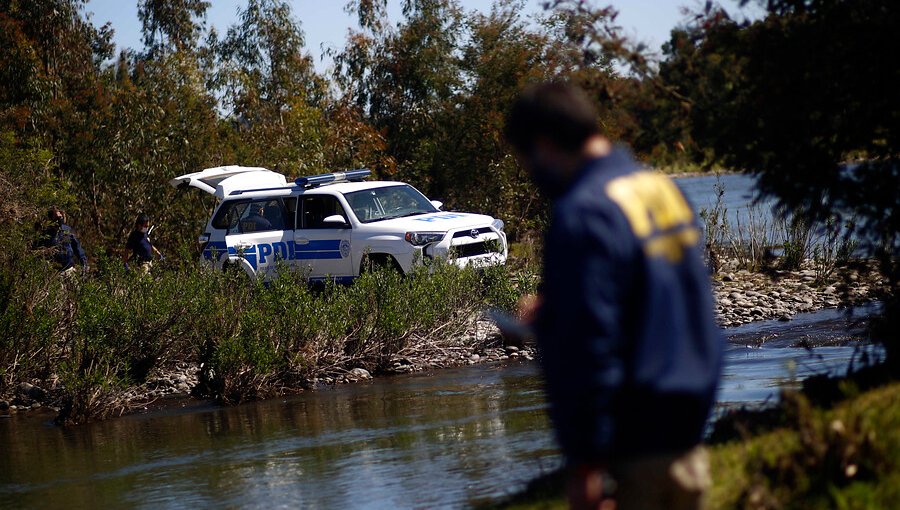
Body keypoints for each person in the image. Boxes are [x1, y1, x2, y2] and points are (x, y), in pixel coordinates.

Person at [504, 82, 724, 510]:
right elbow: (673, 300)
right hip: (689, 438)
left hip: (634, 452)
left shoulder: (583, 212)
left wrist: (585, 463)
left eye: (527, 161)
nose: (532, 174)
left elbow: (590, 344)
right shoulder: (658, 187)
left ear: (545, 145)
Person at [35, 206, 88, 275]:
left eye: (60, 217)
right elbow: (38, 251)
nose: (59, 219)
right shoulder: (45, 233)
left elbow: (77, 248)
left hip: (69, 270)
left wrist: (84, 264)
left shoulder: (67, 230)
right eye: (57, 217)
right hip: (53, 273)